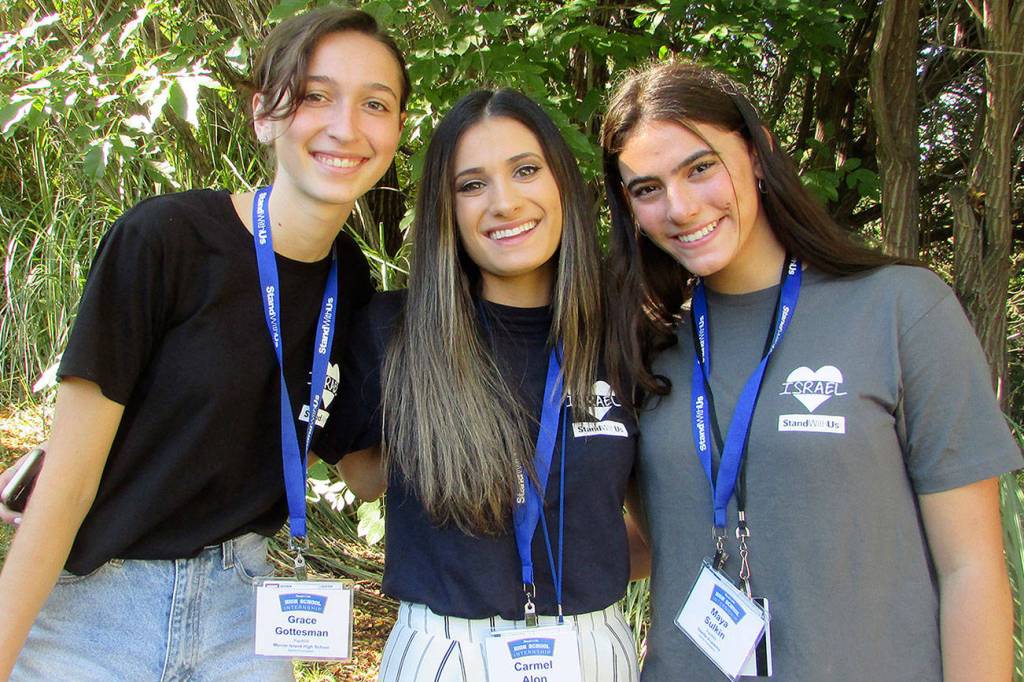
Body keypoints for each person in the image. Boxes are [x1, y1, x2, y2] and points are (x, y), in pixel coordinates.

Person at [0, 8, 408, 680]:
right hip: (97, 614)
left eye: (376, 104)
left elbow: (364, 474)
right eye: (315, 95)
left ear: (396, 130)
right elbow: (65, 490)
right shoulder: (164, 240)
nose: (347, 126)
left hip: (239, 619)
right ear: (263, 116)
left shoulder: (351, 280)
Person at [600, 60, 1021, 681]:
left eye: (700, 167)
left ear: (758, 153)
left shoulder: (901, 308)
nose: (681, 207)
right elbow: (655, 538)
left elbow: (972, 567)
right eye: (647, 189)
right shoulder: (647, 343)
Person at [314, 89, 643, 682]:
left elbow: (659, 522)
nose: (504, 202)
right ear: (447, 211)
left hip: (593, 648)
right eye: (472, 185)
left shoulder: (624, 332)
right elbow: (362, 477)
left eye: (525, 170)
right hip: (444, 651)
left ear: (563, 182)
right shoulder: (394, 333)